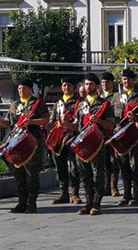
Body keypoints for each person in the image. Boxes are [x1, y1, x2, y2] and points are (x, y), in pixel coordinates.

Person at [0, 76, 49, 214]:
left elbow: (46, 120)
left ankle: (32, 203)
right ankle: (21, 202)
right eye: (19, 88)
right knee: (18, 174)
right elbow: (9, 123)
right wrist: (0, 121)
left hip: (32, 143)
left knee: (31, 174)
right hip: (16, 143)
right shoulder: (15, 104)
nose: (21, 90)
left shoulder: (38, 104)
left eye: (23, 88)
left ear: (30, 89)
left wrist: (33, 122)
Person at [74, 73, 116, 215]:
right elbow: (77, 125)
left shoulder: (104, 104)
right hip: (82, 145)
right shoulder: (80, 105)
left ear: (97, 86)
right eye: (86, 84)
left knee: (98, 174)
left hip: (97, 145)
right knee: (85, 175)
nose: (88, 87)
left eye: (91, 84)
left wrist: (98, 120)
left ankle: (96, 203)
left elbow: (111, 125)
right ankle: (88, 202)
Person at [113, 68, 138, 207]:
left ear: (134, 80)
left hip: (135, 134)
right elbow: (112, 114)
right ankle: (126, 194)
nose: (126, 81)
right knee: (123, 165)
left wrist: (137, 117)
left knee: (135, 164)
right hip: (120, 134)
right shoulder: (117, 96)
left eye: (128, 79)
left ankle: (136, 195)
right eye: (124, 79)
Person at [46, 76, 81, 205]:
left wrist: (69, 121)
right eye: (64, 85)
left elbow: (81, 120)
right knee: (60, 166)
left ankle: (75, 193)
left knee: (74, 167)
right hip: (59, 139)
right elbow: (52, 119)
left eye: (69, 85)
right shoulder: (58, 104)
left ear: (74, 87)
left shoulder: (79, 103)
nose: (67, 88)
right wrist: (48, 125)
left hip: (73, 137)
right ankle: (63, 193)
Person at [100, 71, 121, 197]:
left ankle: (114, 186)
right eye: (103, 82)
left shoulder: (116, 96)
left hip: (113, 131)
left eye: (107, 82)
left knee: (113, 161)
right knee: (104, 161)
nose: (105, 84)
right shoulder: (99, 96)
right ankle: (106, 186)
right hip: (102, 133)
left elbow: (117, 115)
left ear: (112, 83)